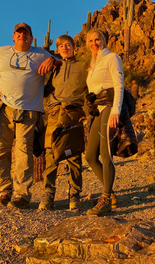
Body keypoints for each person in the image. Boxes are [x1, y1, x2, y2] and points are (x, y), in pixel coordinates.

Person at [0, 22, 58, 209]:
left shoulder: (40, 54)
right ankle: (3, 190)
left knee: (24, 152)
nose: (22, 36)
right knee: (1, 150)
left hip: (29, 109)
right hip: (3, 108)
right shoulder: (1, 52)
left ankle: (21, 194)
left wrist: (53, 60)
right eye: (19, 33)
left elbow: (62, 62)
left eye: (26, 34)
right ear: (13, 36)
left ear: (31, 37)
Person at [40, 35, 88, 211]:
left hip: (73, 113)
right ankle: (48, 195)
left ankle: (74, 195)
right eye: (61, 46)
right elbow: (44, 91)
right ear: (58, 50)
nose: (65, 48)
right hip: (54, 113)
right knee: (51, 155)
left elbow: (91, 90)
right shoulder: (54, 69)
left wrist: (89, 114)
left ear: (74, 47)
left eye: (68, 45)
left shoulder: (84, 67)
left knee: (73, 155)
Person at [84, 28, 124, 216]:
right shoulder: (92, 65)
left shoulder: (112, 58)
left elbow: (118, 84)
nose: (94, 43)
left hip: (109, 106)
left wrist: (116, 110)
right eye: (91, 40)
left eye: (97, 40)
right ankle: (110, 192)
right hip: (98, 110)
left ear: (104, 40)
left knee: (105, 153)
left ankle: (106, 198)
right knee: (91, 156)